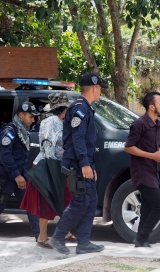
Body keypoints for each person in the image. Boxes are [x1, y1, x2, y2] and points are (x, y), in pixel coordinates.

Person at [49, 72, 107, 255]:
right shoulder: (79, 108)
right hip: (76, 163)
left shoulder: (86, 108)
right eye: (100, 89)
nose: (101, 93)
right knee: (81, 201)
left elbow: (87, 142)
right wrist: (84, 163)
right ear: (95, 88)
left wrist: (91, 166)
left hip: (84, 162)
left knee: (90, 201)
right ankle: (58, 237)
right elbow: (78, 137)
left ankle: (83, 242)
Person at [0, 101, 40, 240]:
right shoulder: (9, 132)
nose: (33, 120)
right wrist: (17, 175)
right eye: (30, 116)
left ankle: (39, 237)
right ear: (21, 115)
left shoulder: (23, 131)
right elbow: (5, 157)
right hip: (7, 177)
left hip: (20, 175)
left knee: (31, 204)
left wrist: (20, 175)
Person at [20, 92, 75, 248]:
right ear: (63, 108)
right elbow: (48, 146)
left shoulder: (63, 121)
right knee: (47, 201)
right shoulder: (51, 122)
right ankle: (42, 236)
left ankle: (65, 231)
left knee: (65, 198)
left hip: (59, 166)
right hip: (48, 166)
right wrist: (53, 170)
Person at [124, 92, 160, 248]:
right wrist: (151, 156)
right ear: (151, 107)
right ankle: (142, 237)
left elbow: (159, 149)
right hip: (141, 172)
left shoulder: (157, 124)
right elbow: (128, 147)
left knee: (148, 207)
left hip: (152, 171)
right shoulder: (139, 124)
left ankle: (140, 239)